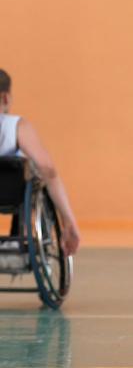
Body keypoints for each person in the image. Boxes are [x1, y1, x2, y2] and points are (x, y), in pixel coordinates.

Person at [0, 69, 80, 256]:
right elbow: (48, 169)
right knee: (35, 174)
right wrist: (68, 221)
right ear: (5, 98)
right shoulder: (15, 126)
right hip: (10, 193)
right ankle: (24, 236)